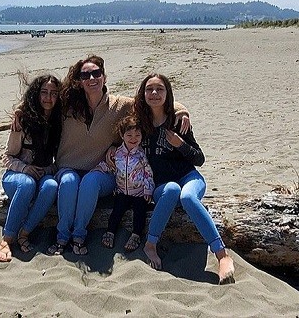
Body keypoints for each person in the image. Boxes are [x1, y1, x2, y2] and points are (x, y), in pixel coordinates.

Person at [44, 54, 190, 256]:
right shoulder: (68, 104)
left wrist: (182, 110)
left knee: (90, 182)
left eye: (96, 73)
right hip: (68, 166)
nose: (92, 79)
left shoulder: (119, 105)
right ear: (79, 80)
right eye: (85, 75)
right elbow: (41, 104)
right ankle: (62, 238)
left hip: (102, 172)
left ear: (104, 76)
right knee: (68, 182)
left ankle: (78, 236)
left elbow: (153, 103)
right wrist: (18, 114)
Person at [134, 73, 235, 284]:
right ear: (142, 94)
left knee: (188, 198)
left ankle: (222, 255)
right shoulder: (139, 124)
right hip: (161, 184)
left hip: (189, 177)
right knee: (172, 190)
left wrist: (180, 144)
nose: (154, 93)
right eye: (149, 89)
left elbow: (199, 159)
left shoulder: (178, 121)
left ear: (167, 93)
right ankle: (150, 245)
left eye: (159, 89)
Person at [0, 74, 62, 263]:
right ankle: (7, 239)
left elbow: (60, 160)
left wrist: (47, 169)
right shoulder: (23, 121)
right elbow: (7, 157)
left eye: (53, 94)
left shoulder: (59, 123)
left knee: (51, 186)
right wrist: (24, 168)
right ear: (36, 94)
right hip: (16, 177)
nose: (48, 98)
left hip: (42, 175)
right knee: (27, 184)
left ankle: (24, 232)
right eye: (44, 93)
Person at [94, 115, 154, 252]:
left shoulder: (141, 154)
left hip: (139, 192)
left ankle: (136, 235)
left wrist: (148, 190)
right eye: (129, 135)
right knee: (117, 211)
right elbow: (109, 166)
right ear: (122, 135)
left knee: (140, 212)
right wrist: (97, 169)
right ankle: (110, 232)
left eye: (137, 135)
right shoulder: (117, 154)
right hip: (122, 191)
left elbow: (148, 173)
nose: (133, 138)